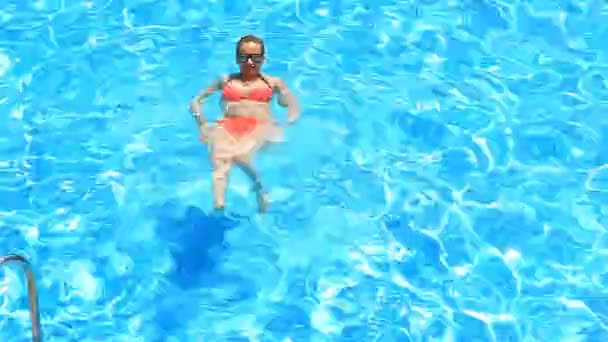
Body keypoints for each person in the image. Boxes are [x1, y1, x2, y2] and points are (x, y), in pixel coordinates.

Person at [190, 35, 300, 213]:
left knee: (240, 155)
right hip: (230, 125)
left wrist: (289, 121)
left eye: (255, 58)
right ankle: (219, 206)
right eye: (244, 57)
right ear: (236, 59)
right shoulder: (226, 81)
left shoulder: (272, 83)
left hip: (260, 127)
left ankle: (259, 187)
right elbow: (196, 101)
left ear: (263, 59)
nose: (250, 62)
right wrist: (202, 124)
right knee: (220, 159)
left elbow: (293, 105)